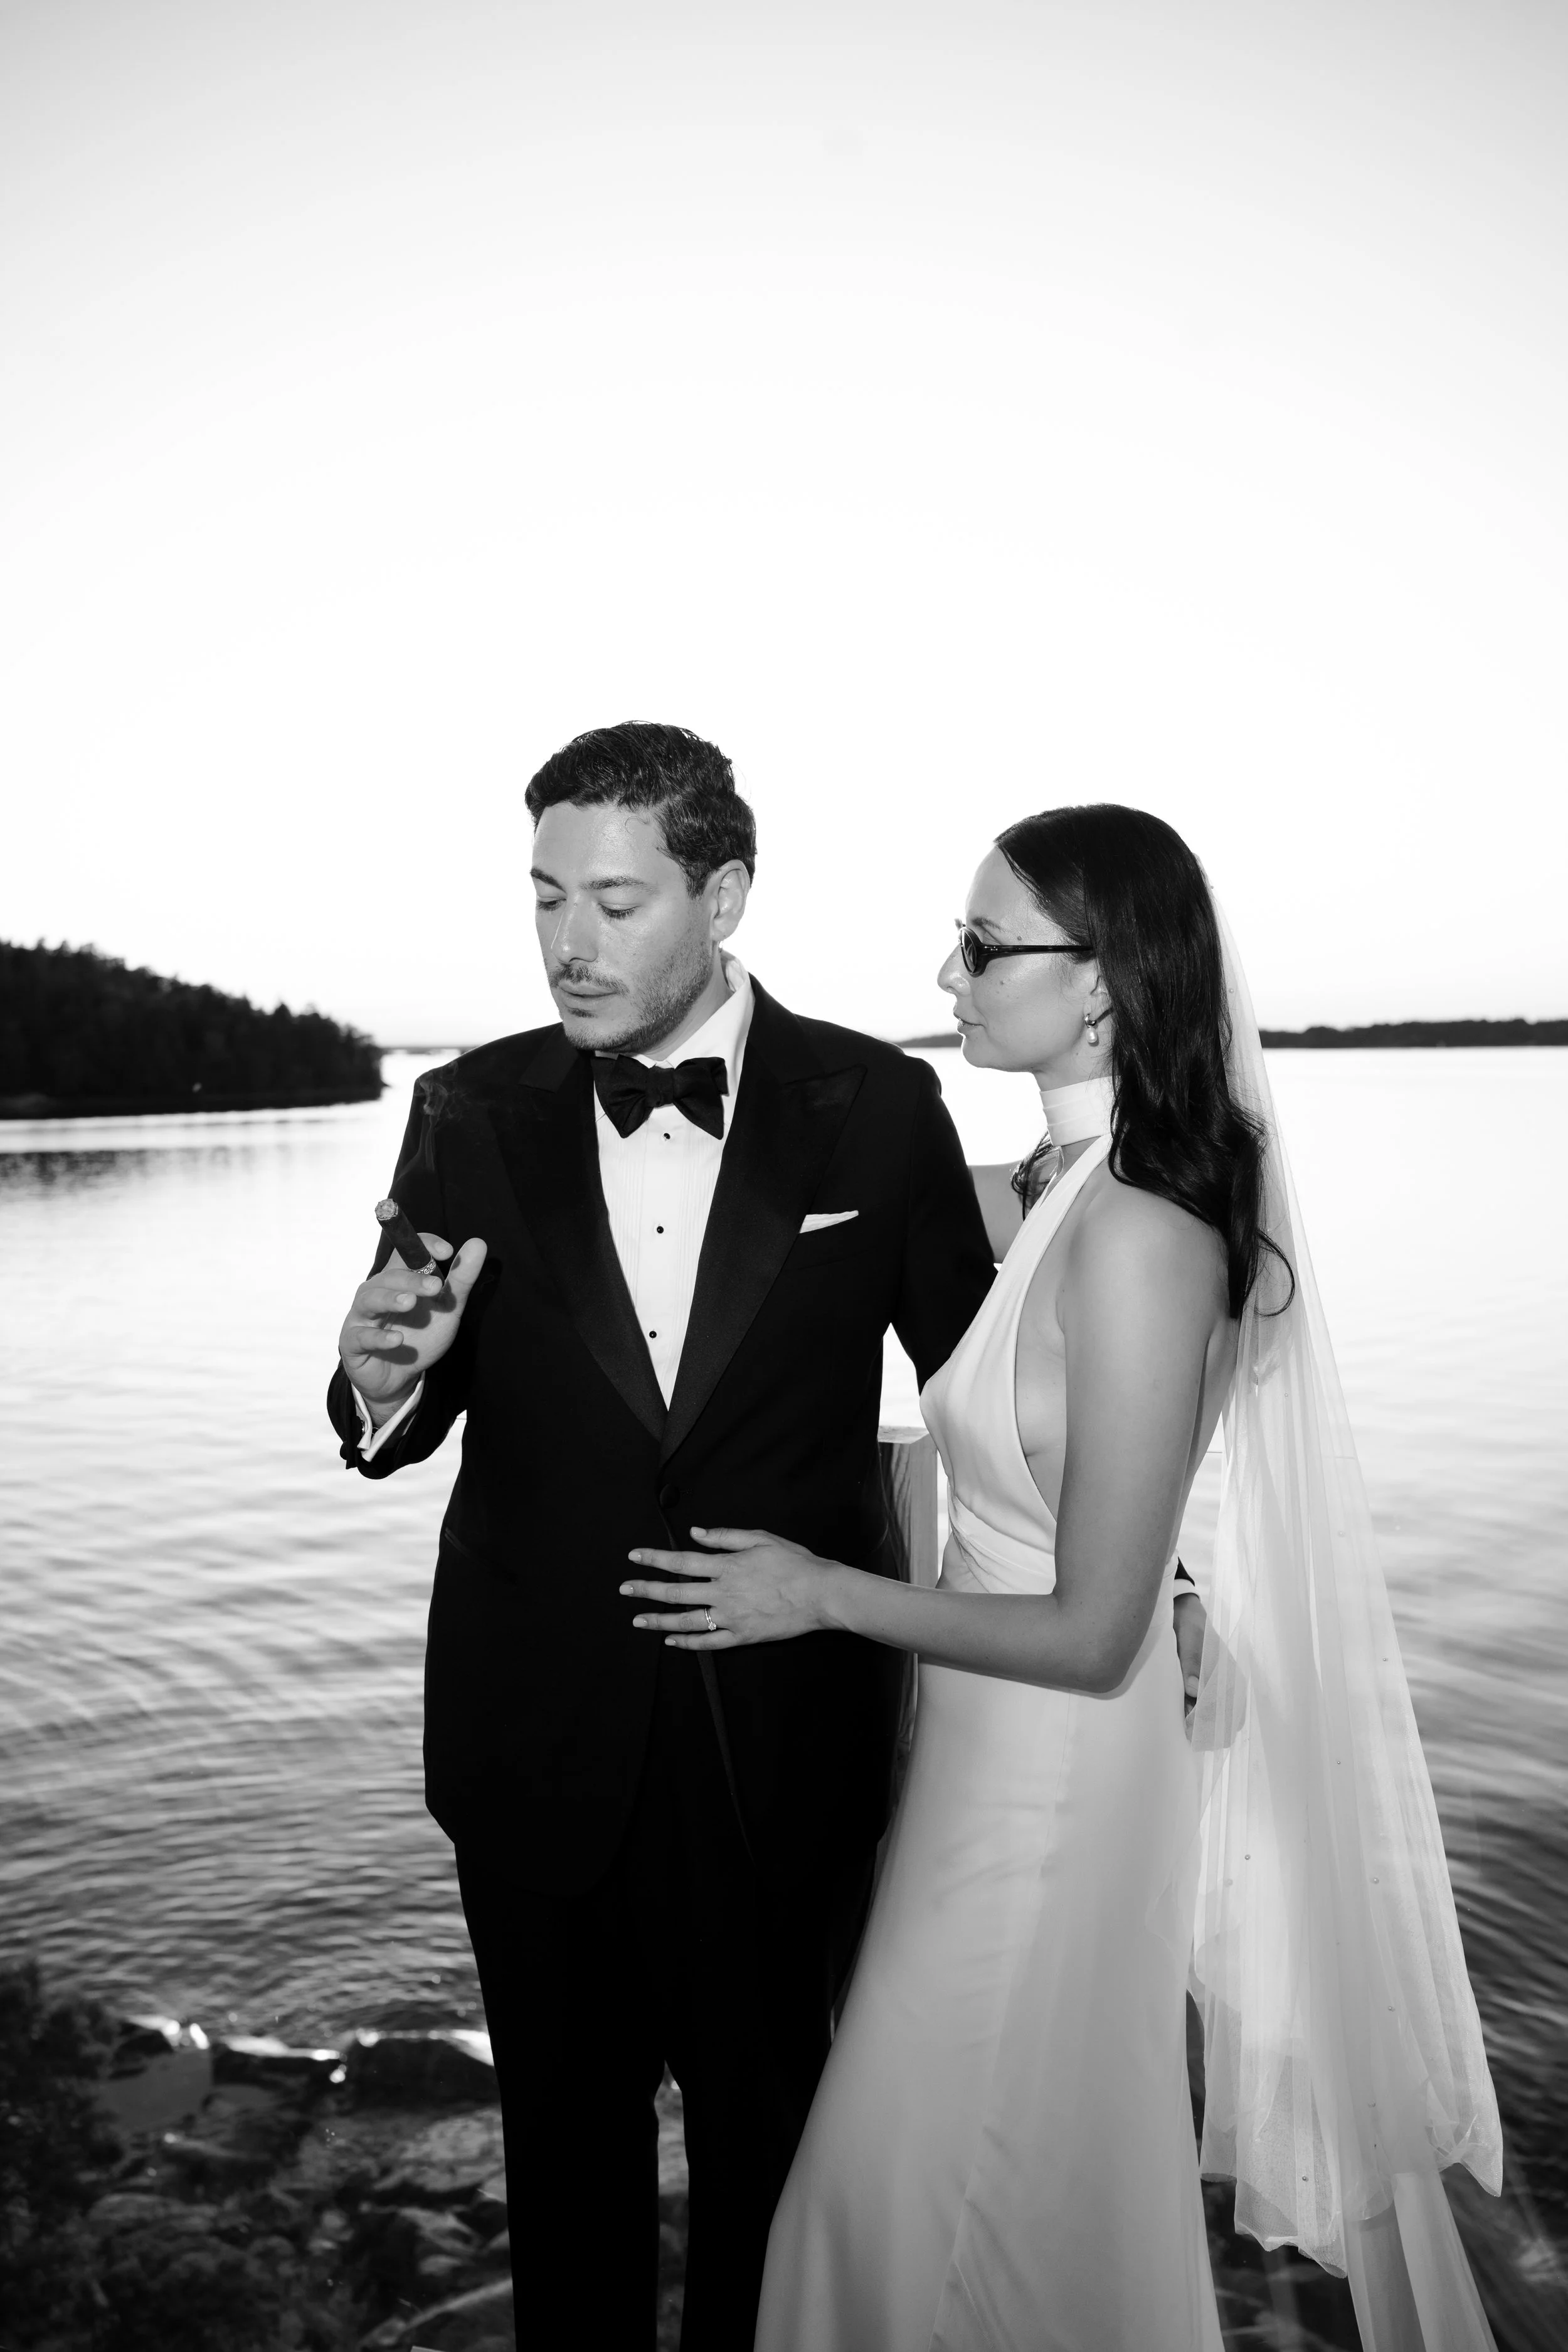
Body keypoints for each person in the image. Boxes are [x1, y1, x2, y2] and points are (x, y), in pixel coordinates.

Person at [328, 728, 1204, 2349]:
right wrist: (377, 1375)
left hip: (780, 1756)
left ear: (721, 892)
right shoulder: (466, 1106)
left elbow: (994, 1371)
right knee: (564, 2184)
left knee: (778, 2177)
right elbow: (401, 1390)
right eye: (542, 900)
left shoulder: (874, 1108)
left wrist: (1158, 1549)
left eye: (612, 899)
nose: (567, 944)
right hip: (532, 1744)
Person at [624, 805, 1504, 2352]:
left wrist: (817, 1592)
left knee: (889, 2196)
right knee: (990, 2198)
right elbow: (803, 1249)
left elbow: (1098, 1628)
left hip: (1055, 1779)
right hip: (975, 1762)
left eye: (982, 945)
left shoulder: (1145, 1240)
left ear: (1098, 985)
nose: (949, 973)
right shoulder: (1047, 1197)